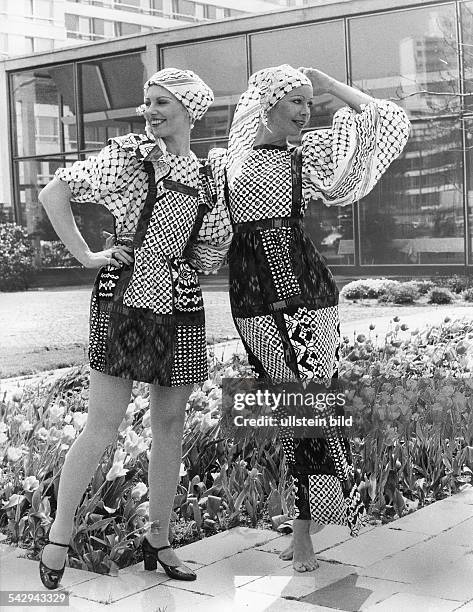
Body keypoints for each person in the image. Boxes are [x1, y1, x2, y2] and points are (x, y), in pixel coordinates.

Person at [38, 68, 231, 588]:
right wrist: (87, 255)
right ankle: (59, 534)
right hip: (123, 299)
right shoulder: (129, 155)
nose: (150, 112)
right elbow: (55, 192)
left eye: (162, 103)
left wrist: (186, 264)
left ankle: (159, 540)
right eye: (147, 102)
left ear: (191, 110)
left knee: (170, 426)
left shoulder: (211, 176)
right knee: (103, 423)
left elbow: (215, 245)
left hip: (181, 305)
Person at [225, 65, 410, 572]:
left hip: (304, 292)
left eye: (311, 103)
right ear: (267, 105)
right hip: (251, 297)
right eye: (298, 102)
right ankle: (314, 515)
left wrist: (329, 85)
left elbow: (384, 118)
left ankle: (307, 530)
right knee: (290, 410)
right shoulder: (227, 163)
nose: (308, 112)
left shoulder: (306, 156)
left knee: (308, 408)